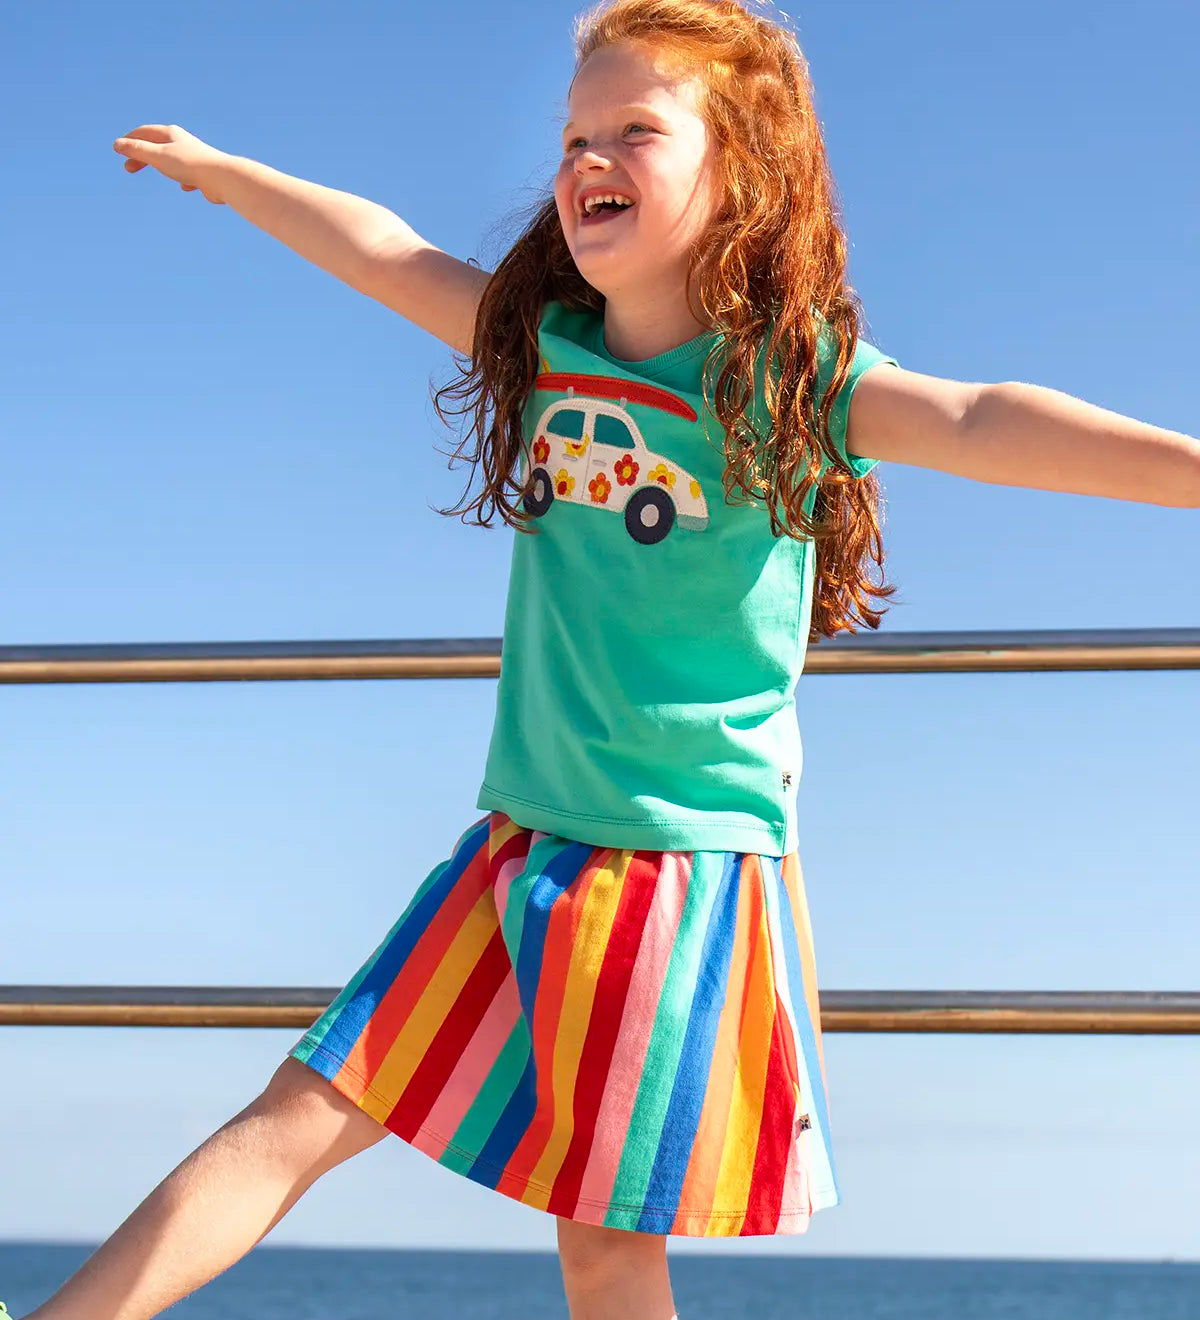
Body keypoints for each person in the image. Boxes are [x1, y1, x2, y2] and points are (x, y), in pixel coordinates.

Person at [20, 1, 1199, 1319]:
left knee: (604, 1243)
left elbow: (985, 418)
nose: (589, 158)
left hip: (669, 869)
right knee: (300, 1110)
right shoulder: (543, 348)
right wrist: (226, 173)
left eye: (636, 128)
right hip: (518, 848)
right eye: (576, 134)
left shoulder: (779, 385)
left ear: (743, 168)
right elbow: (383, 251)